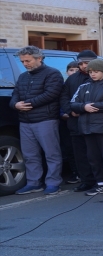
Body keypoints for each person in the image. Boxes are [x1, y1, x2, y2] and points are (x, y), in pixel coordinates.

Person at [11, 46, 65, 195]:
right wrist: (15, 104)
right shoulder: (23, 77)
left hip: (46, 120)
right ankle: (33, 183)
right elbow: (15, 94)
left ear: (39, 58)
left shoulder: (52, 73)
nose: (25, 64)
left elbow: (51, 94)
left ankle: (53, 182)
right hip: (25, 121)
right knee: (30, 155)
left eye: (27, 60)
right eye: (22, 61)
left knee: (51, 153)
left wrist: (28, 104)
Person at [70, 59, 103, 196]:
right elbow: (73, 103)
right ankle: (100, 183)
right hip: (87, 128)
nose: (92, 74)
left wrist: (89, 106)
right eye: (90, 72)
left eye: (96, 71)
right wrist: (83, 107)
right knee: (93, 157)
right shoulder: (83, 86)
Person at [60, 50, 99, 193]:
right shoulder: (72, 79)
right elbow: (64, 96)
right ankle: (86, 181)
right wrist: (70, 111)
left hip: (95, 122)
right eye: (81, 63)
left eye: (87, 63)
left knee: (96, 153)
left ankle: (100, 180)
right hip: (75, 122)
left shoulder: (102, 77)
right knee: (80, 154)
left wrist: (82, 109)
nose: (83, 66)